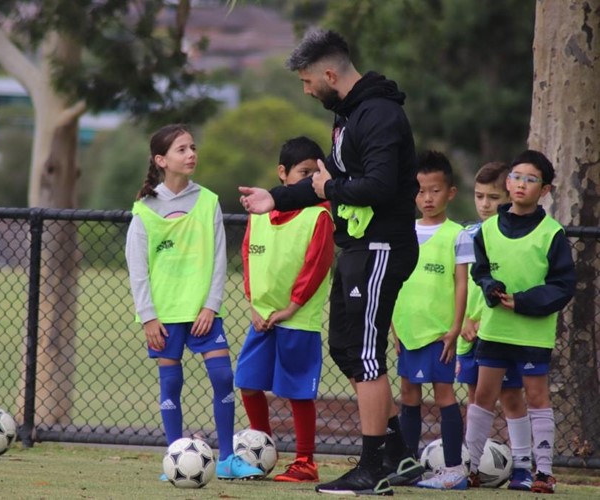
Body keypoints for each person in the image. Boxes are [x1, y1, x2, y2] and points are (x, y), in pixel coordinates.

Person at [239, 29, 423, 496]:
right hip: (358, 247)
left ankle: (372, 469)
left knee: (365, 354)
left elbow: (377, 186)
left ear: (328, 73)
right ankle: (400, 454)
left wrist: (328, 190)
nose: (306, 90)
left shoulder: (379, 114)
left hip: (381, 247)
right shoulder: (347, 115)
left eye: (306, 81)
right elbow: (329, 180)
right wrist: (276, 197)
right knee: (345, 348)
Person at [125, 124, 264, 481]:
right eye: (182, 150)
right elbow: (138, 270)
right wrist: (148, 317)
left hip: (203, 311)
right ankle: (175, 460)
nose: (191, 155)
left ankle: (228, 459)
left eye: (193, 147)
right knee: (170, 385)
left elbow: (219, 259)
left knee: (223, 376)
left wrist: (209, 306)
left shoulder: (209, 201)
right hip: (164, 315)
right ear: (161, 160)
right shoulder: (145, 209)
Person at [465, 150, 576, 494]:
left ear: (545, 190)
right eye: (516, 177)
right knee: (483, 394)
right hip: (495, 328)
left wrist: (524, 302)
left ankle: (539, 472)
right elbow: (480, 271)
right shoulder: (487, 229)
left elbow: (562, 286)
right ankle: (470, 467)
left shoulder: (551, 233)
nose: (520, 185)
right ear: (508, 181)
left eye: (531, 180)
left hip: (532, 331)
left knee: (535, 395)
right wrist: (490, 288)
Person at [235, 136, 335, 483]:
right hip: (262, 318)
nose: (310, 180)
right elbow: (249, 257)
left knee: (296, 391)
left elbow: (317, 265)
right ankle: (262, 450)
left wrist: (292, 307)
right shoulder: (259, 214)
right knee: (247, 383)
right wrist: (253, 305)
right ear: (282, 173)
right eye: (303, 172)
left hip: (298, 319)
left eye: (315, 173)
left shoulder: (318, 215)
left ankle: (306, 461)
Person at [390, 151, 473, 490]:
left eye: (435, 190)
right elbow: (394, 282)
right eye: (421, 190)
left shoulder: (458, 235)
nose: (427, 197)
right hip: (407, 331)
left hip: (440, 334)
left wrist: (455, 328)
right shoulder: (403, 232)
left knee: (443, 397)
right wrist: (394, 326)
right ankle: (410, 466)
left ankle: (454, 469)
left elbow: (461, 283)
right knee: (408, 394)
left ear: (450, 193)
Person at [456, 161, 534, 491]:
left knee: (512, 396)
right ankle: (474, 465)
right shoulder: (466, 235)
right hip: (470, 335)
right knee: (476, 399)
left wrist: (483, 319)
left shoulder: (511, 235)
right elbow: (459, 285)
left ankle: (524, 467)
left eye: (493, 196)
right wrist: (461, 323)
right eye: (479, 196)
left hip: (501, 330)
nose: (485, 204)